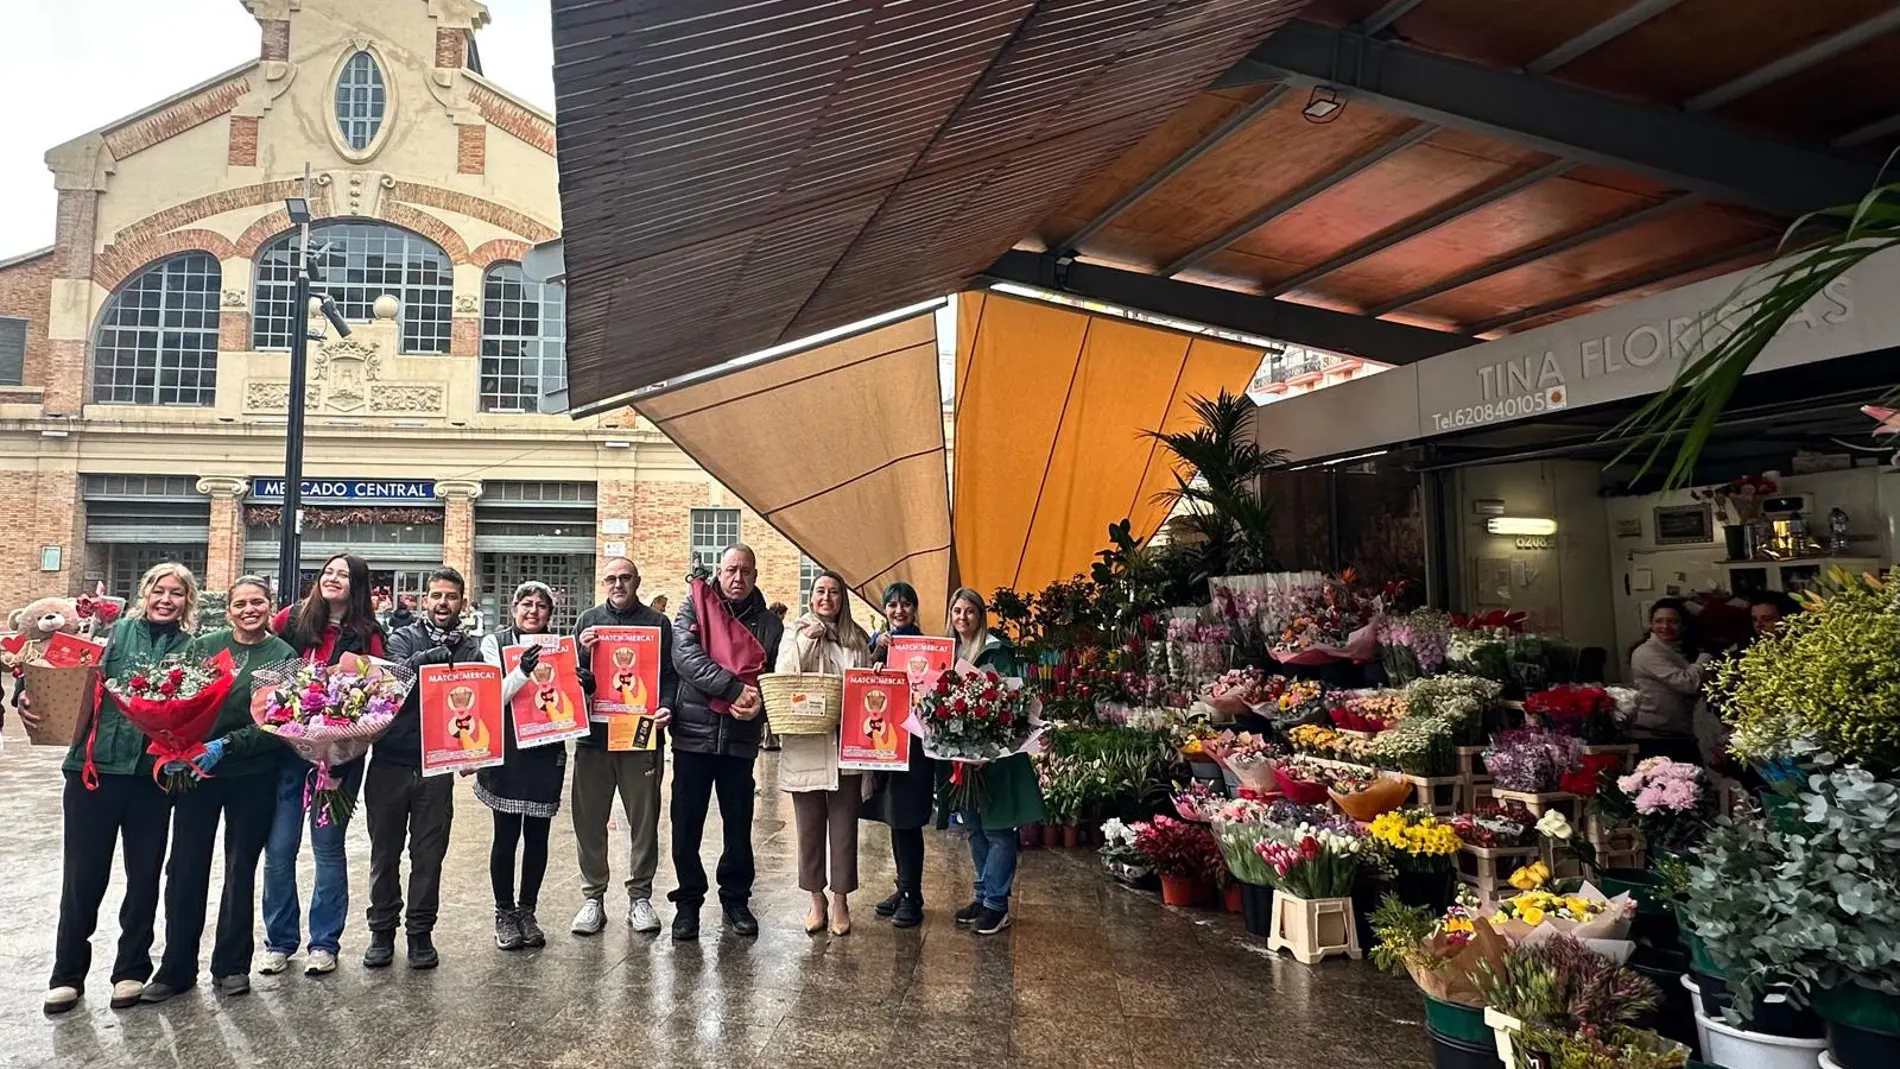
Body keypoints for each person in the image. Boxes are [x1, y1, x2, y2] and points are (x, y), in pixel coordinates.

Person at [29, 563, 198, 1015]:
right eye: (159, 590)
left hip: (151, 780)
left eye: (176, 593)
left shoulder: (193, 648)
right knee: (83, 877)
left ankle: (130, 969)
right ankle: (67, 975)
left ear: (187, 601)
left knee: (144, 877)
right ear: (145, 592)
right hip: (92, 772)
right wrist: (25, 696)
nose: (166, 599)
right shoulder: (111, 633)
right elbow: (55, 672)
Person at [140, 576, 298, 1003]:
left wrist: (225, 744)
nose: (250, 609)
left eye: (258, 602)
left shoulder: (283, 655)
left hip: (252, 773)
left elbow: (279, 722)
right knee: (185, 867)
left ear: (270, 606)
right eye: (241, 603)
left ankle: (231, 965)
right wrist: (177, 744)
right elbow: (174, 698)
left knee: (239, 867)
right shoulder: (204, 647)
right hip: (197, 773)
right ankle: (176, 966)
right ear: (228, 610)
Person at [262, 553, 386, 978]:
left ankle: (324, 942)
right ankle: (279, 941)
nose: (334, 579)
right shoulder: (290, 620)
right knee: (279, 848)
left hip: (340, 760)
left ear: (358, 587)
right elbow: (265, 672)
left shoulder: (368, 634)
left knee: (327, 848)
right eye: (329, 572)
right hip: (286, 755)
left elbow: (380, 692)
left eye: (345, 576)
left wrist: (349, 737)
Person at [365, 565, 480, 970]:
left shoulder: (472, 649)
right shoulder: (402, 637)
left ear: (462, 603)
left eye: (451, 596)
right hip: (391, 761)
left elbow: (480, 705)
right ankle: (381, 931)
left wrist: (474, 753)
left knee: (429, 855)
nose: (443, 603)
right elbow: (388, 681)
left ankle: (420, 933)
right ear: (425, 600)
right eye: (436, 596)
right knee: (384, 853)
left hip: (436, 766)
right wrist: (421, 662)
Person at [668, 544, 784, 940]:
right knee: (686, 824)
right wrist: (734, 689)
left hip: (739, 740)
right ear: (719, 572)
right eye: (731, 570)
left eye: (746, 571)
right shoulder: (693, 607)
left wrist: (760, 705)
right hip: (692, 735)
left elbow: (776, 680)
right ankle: (687, 903)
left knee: (739, 825)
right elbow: (685, 657)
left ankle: (736, 898)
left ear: (755, 575)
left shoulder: (769, 625)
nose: (738, 578)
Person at [567, 557, 676, 937]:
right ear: (603, 583)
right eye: (611, 579)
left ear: (637, 582)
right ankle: (593, 896)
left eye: (625, 578)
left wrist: (667, 706)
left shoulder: (658, 623)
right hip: (594, 736)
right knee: (589, 819)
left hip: (641, 732)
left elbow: (669, 676)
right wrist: (580, 654)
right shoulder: (587, 621)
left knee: (644, 819)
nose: (618, 584)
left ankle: (640, 897)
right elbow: (572, 681)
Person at [939, 587, 1043, 936]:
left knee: (998, 831)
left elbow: (1009, 705)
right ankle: (983, 895)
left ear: (980, 616)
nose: (962, 618)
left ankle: (997, 906)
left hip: (995, 760)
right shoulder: (948, 652)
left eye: (969, 611)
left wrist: (984, 752)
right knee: (974, 828)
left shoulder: (996, 652)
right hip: (963, 761)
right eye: (957, 611)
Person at [776, 571, 872, 936]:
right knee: (809, 831)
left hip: (846, 747)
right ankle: (816, 899)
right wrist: (807, 643)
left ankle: (841, 900)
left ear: (842, 599)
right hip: (808, 746)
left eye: (833, 592)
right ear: (811, 597)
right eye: (820, 592)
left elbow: (863, 691)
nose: (826, 598)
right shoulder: (795, 632)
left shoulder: (856, 638)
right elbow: (783, 675)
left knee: (845, 830)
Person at [477, 582, 568, 951]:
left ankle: (528, 910)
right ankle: (504, 911)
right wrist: (520, 672)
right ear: (513, 609)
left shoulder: (561, 649)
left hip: (546, 751)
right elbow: (489, 697)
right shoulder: (493, 644)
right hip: (508, 752)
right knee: (506, 835)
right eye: (526, 604)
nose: (533, 611)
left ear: (550, 613)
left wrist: (585, 687)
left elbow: (570, 700)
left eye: (541, 606)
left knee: (538, 837)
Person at [864, 582, 933, 928]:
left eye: (906, 604)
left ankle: (912, 896)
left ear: (915, 609)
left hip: (916, 745)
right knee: (894, 817)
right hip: (886, 744)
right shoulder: (879, 644)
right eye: (892, 605)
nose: (899, 611)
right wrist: (876, 654)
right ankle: (903, 887)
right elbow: (863, 679)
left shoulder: (927, 648)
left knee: (907, 819)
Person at [1629, 598, 1710, 765]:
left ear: (1683, 625)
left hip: (1679, 734)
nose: (1665, 627)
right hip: (1655, 737)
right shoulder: (1647, 652)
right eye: (1659, 621)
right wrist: (1705, 659)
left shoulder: (1679, 650)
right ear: (1650, 624)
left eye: (1672, 622)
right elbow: (1687, 683)